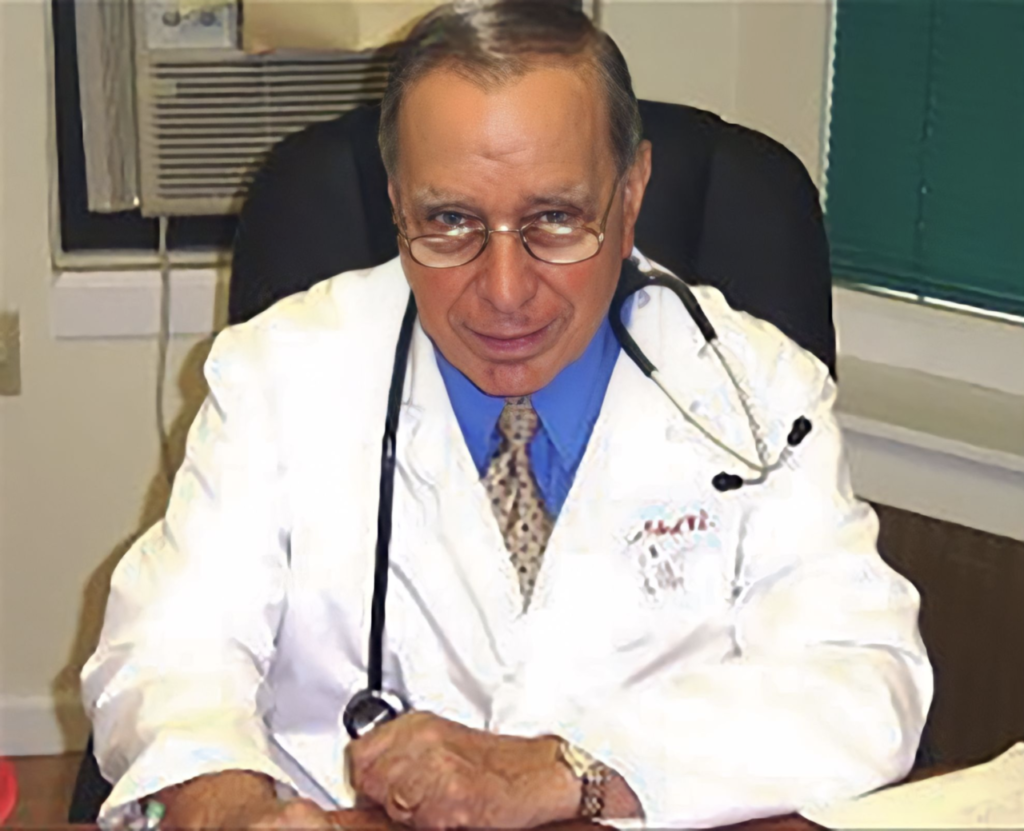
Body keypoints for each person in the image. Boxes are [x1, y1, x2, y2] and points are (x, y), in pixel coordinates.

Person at [82, 3, 932, 828]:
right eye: (448, 221)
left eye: (555, 220)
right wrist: (232, 808)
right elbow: (168, 653)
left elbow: (863, 677)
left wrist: (571, 769)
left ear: (630, 193)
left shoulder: (758, 390)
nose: (503, 292)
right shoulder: (282, 371)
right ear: (396, 202)